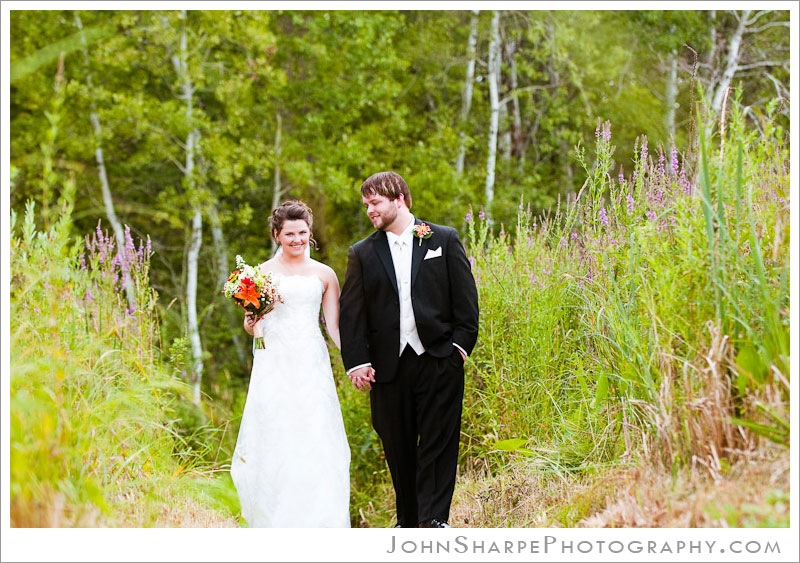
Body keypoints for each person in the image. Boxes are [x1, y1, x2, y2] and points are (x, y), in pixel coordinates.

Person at [339, 171, 479, 528]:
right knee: (397, 445)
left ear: (398, 199)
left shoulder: (443, 239)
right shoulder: (362, 253)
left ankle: (434, 521)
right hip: (387, 367)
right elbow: (352, 314)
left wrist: (459, 349)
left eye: (375, 202)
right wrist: (357, 362)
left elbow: (466, 300)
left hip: (439, 359)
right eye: (366, 205)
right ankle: (408, 522)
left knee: (439, 441)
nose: (370, 210)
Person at [230, 199, 351, 528]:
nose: (297, 239)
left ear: (310, 233)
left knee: (315, 432)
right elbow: (251, 325)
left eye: (302, 233)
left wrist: (355, 361)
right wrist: (251, 323)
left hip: (311, 361)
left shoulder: (324, 274)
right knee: (275, 430)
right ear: (276, 235)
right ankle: (274, 517)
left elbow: (334, 327)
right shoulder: (259, 274)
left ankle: (320, 518)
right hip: (274, 360)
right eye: (289, 234)